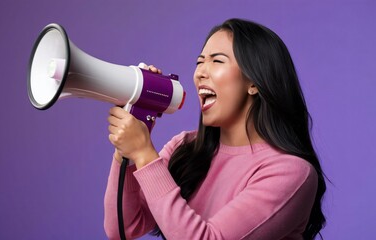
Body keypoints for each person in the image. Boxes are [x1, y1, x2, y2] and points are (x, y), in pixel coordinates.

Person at [104, 18, 326, 240]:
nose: (200, 72)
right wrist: (127, 153)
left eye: (217, 61)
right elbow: (124, 228)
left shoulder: (291, 172)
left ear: (254, 83)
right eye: (199, 62)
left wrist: (144, 154)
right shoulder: (184, 147)